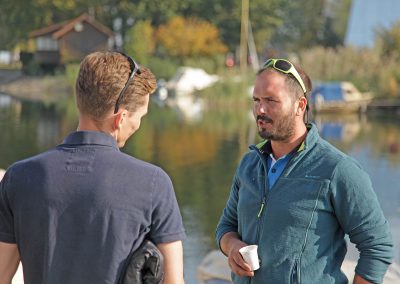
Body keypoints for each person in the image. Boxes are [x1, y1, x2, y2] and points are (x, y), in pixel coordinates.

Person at [0, 51, 186, 284]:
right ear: (120, 118)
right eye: (140, 116)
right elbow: (174, 281)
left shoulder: (19, 177)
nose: (138, 124)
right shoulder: (154, 183)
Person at [216, 58, 393, 284]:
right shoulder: (249, 164)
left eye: (271, 100)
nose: (260, 109)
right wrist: (232, 246)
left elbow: (378, 247)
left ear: (300, 105)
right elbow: (226, 226)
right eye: (256, 100)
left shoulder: (337, 169)